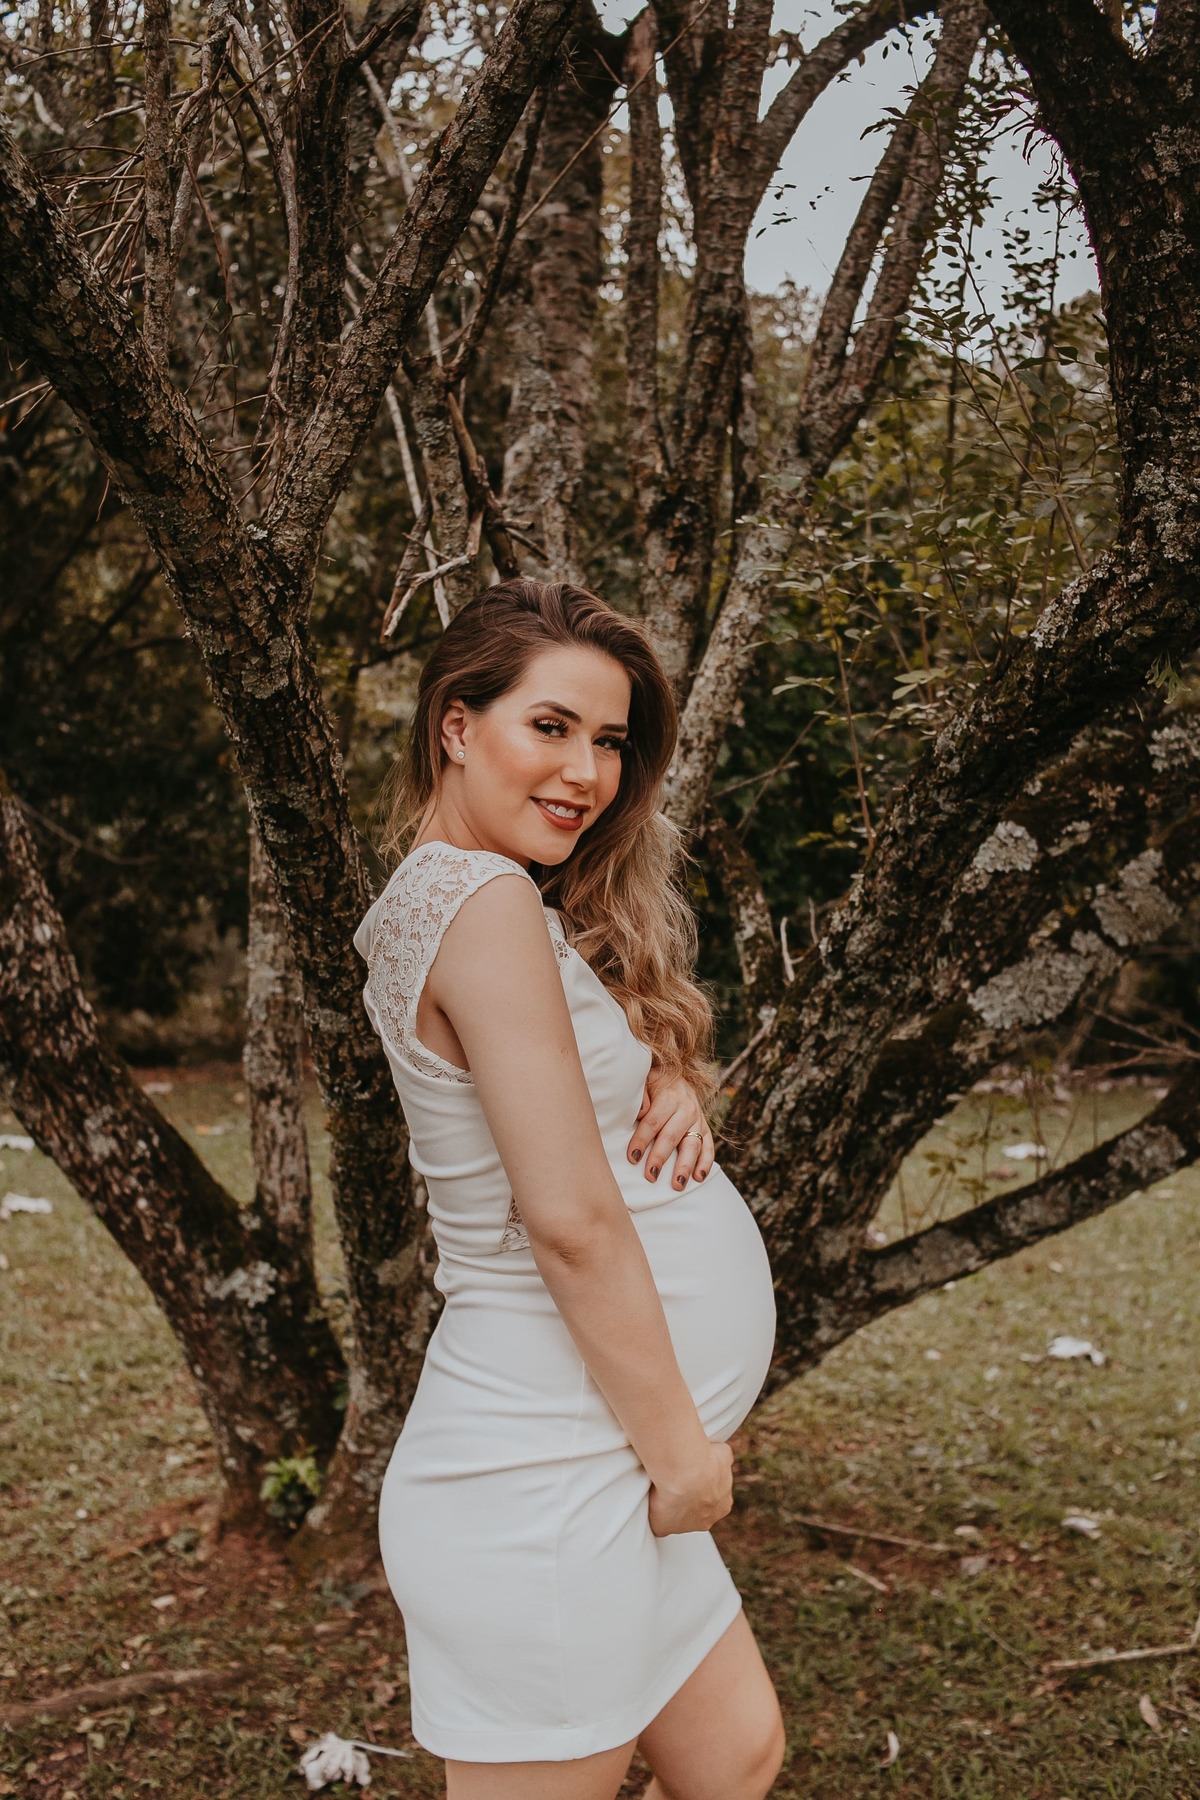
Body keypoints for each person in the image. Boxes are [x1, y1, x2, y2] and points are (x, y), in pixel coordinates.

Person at [353, 578, 783, 1800]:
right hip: (547, 1476)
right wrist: (683, 1455)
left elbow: (556, 1114)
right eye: (551, 726)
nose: (587, 772)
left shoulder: (477, 902)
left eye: (609, 741)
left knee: (737, 1752)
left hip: (594, 1456)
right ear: (455, 723)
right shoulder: (477, 901)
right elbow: (570, 1222)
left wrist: (667, 1081)